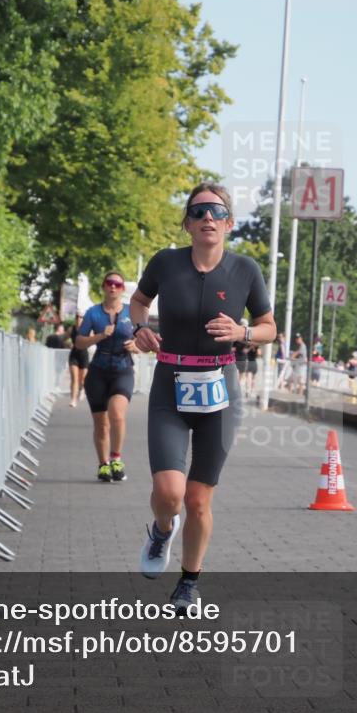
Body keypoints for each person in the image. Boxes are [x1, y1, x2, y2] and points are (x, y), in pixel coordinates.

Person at [130, 183, 276, 613]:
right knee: (169, 493)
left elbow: (269, 327)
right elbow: (138, 302)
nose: (207, 218)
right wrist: (138, 328)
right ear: (188, 223)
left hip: (220, 389)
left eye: (217, 211)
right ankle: (160, 530)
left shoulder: (245, 270)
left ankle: (189, 583)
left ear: (229, 223)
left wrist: (243, 332)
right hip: (170, 383)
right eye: (199, 212)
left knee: (198, 499)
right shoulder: (166, 263)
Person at [75, 272, 138, 482]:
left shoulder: (132, 312)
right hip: (98, 372)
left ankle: (116, 458)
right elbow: (79, 342)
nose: (113, 287)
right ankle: (103, 465)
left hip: (123, 369)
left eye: (117, 284)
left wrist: (136, 345)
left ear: (122, 289)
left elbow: (145, 339)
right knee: (101, 423)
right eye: (109, 283)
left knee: (117, 414)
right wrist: (100, 335)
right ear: (103, 286)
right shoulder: (93, 313)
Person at [68, 316, 90, 408]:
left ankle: (82, 390)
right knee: (74, 378)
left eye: (80, 317)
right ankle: (73, 399)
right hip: (74, 355)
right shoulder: (71, 329)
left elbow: (93, 339)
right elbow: (63, 337)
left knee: (83, 379)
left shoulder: (88, 329)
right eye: (77, 317)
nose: (78, 319)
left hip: (84, 355)